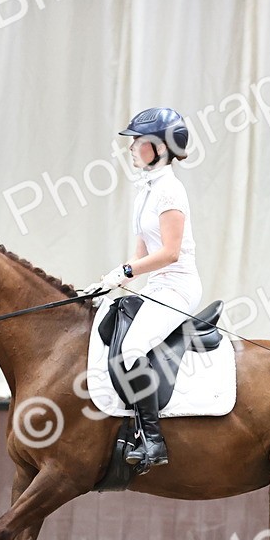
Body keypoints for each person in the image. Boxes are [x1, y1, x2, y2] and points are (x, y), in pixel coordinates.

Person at [89, 107, 200, 469]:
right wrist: (112, 282)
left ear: (162, 147)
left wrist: (124, 270)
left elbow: (169, 253)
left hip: (179, 286)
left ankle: (154, 441)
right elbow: (141, 256)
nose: (133, 147)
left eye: (140, 141)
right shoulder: (145, 192)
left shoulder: (170, 192)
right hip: (158, 284)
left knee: (133, 346)